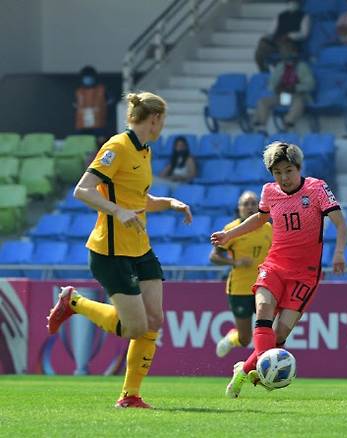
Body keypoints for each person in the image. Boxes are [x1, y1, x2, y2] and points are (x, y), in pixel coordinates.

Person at [46, 92, 193, 409]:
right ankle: (74, 301)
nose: (162, 125)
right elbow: (82, 190)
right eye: (163, 119)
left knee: (154, 319)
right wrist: (116, 211)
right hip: (110, 251)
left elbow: (140, 201)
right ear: (154, 119)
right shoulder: (117, 147)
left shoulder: (145, 151)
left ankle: (130, 396)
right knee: (135, 327)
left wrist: (169, 203)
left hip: (141, 248)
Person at [211, 141, 347, 398]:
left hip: (306, 273)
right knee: (262, 309)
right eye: (277, 173)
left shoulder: (317, 189)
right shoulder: (269, 192)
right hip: (275, 264)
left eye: (288, 171)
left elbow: (340, 224)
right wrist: (230, 235)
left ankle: (244, 370)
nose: (284, 178)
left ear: (298, 168)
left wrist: (339, 253)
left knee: (280, 334)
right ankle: (262, 368)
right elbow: (260, 218)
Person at [212, 191, 273, 358]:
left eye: (253, 203)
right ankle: (232, 338)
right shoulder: (231, 230)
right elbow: (214, 257)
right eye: (246, 204)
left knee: (269, 333)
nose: (250, 207)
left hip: (263, 288)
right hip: (240, 289)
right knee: (245, 339)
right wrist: (235, 263)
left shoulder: (268, 228)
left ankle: (262, 365)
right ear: (239, 208)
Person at [252, 45, 315, 131]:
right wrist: (276, 87)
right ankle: (261, 127)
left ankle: (287, 124)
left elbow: (310, 84)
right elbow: (271, 84)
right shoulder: (280, 66)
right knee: (263, 101)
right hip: (282, 95)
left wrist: (295, 87)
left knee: (299, 102)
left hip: (296, 95)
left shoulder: (302, 66)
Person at [254, 0, 310, 72]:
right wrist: (266, 37)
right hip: (275, 42)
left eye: (294, 2)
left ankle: (285, 76)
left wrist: (289, 36)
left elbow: (304, 33)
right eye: (290, 2)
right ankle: (265, 73)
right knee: (260, 51)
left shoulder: (304, 16)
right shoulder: (280, 15)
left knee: (286, 53)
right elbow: (271, 31)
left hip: (290, 43)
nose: (292, 4)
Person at [74, 65, 112, 143]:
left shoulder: (102, 90)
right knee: (82, 145)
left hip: (99, 126)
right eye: (86, 77)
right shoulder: (79, 92)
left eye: (89, 77)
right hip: (82, 126)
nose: (88, 79)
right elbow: (76, 106)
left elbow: (110, 104)